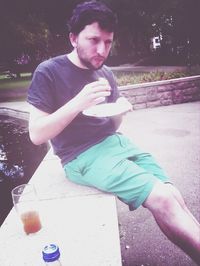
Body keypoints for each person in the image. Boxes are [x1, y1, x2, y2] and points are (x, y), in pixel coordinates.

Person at [27, 1, 200, 264]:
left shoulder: (105, 73)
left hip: (116, 143)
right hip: (80, 157)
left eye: (107, 42)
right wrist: (78, 102)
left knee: (172, 193)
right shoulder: (48, 71)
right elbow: (36, 134)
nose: (101, 50)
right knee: (162, 198)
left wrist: (120, 111)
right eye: (93, 40)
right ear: (73, 38)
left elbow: (110, 125)